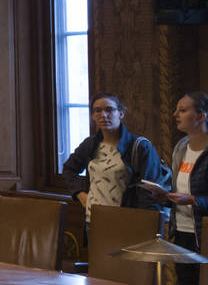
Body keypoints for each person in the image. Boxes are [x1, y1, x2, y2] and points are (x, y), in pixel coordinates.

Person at [63, 93, 168, 225]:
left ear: (121, 113)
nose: (103, 115)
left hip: (127, 222)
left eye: (109, 110)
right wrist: (80, 194)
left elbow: (149, 192)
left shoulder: (140, 146)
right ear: (93, 116)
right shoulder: (90, 144)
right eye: (98, 110)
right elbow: (69, 169)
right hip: (93, 219)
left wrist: (145, 224)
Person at [148, 92, 208, 285]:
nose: (175, 114)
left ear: (201, 116)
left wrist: (194, 200)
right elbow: (178, 190)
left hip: (204, 233)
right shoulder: (181, 147)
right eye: (176, 109)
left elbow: (192, 197)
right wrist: (164, 197)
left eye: (182, 110)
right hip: (182, 232)